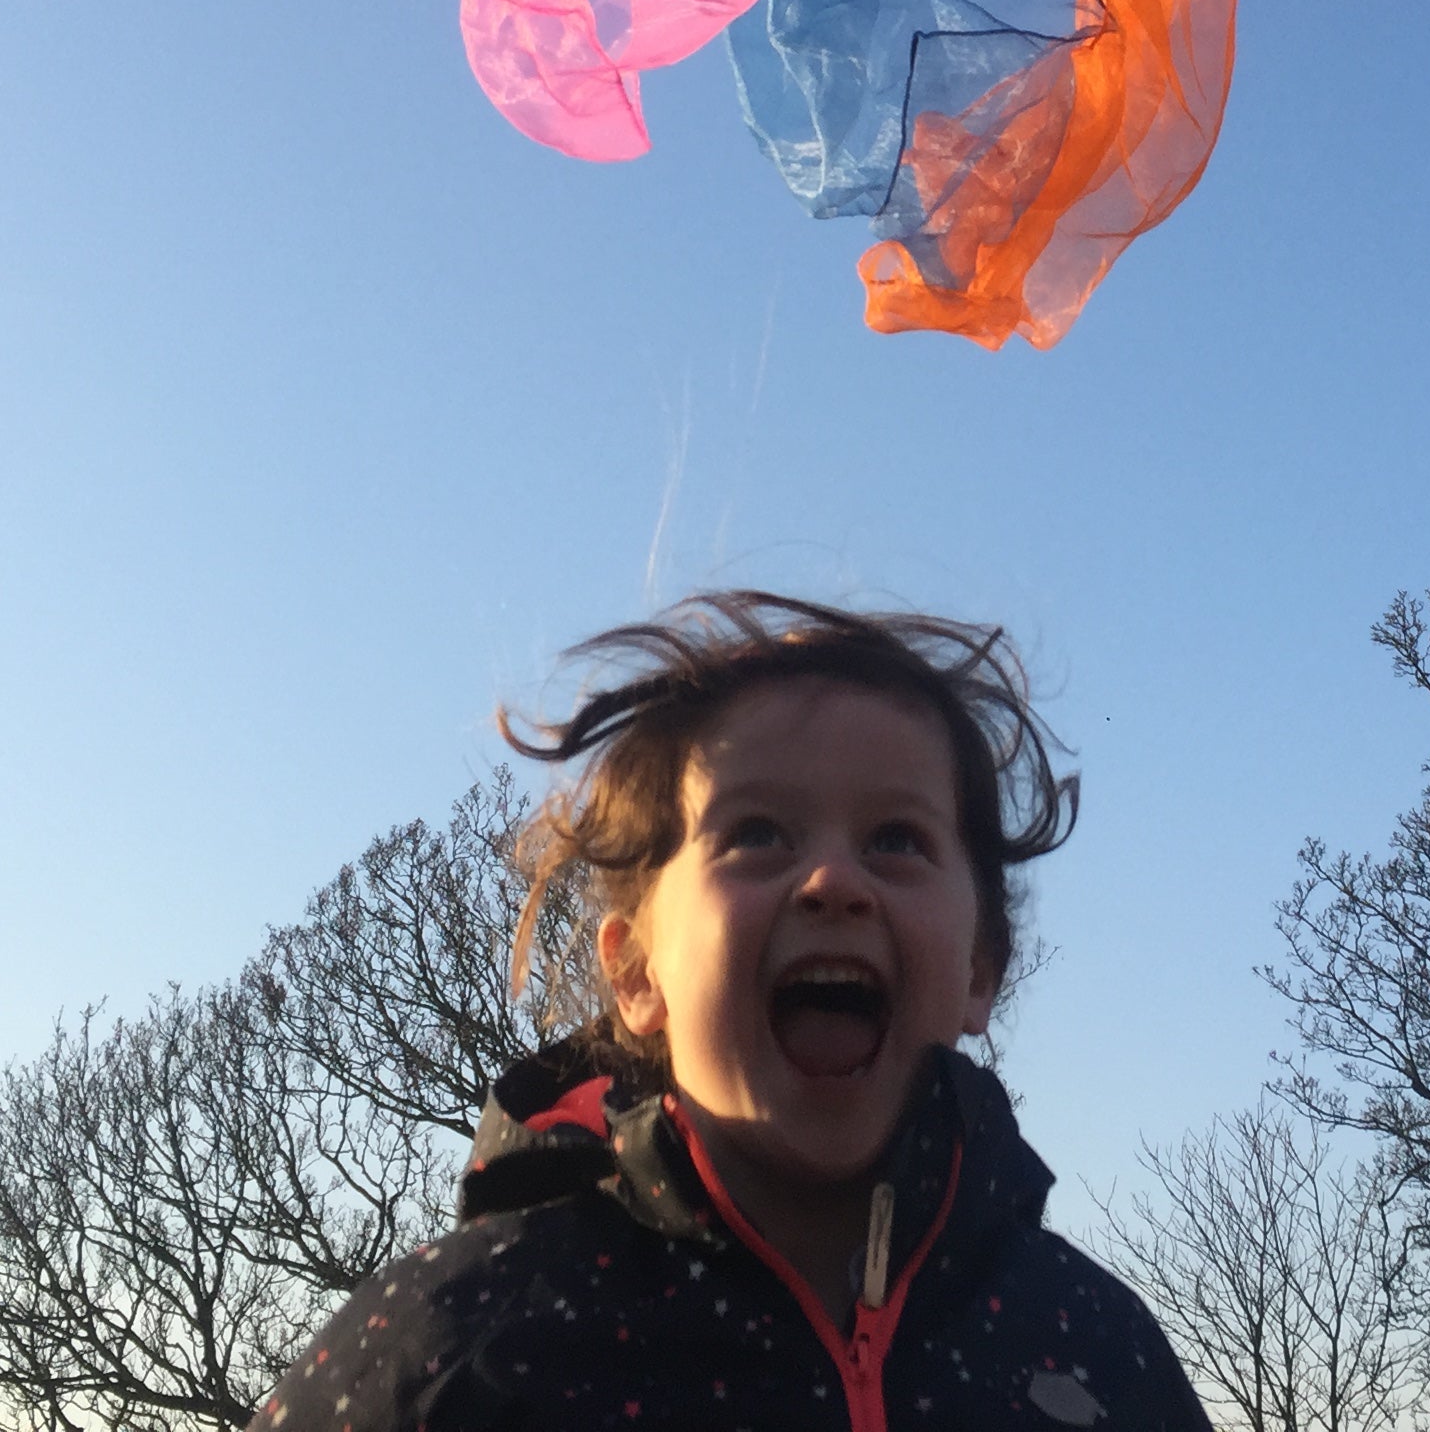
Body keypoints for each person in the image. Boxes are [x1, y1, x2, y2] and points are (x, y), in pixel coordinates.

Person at [256, 591, 1209, 1430]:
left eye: (896, 838)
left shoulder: (1096, 1353)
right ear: (636, 974)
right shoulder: (461, 1342)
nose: (834, 879)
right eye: (755, 833)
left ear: (978, 970)